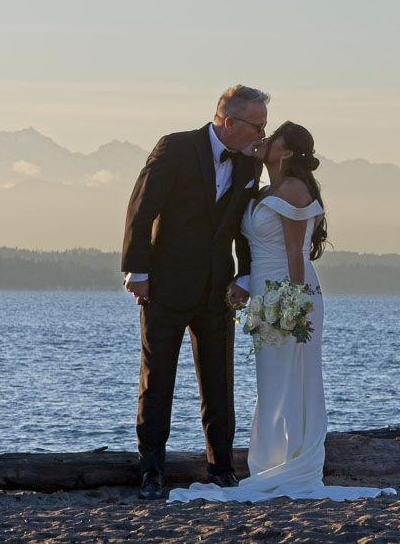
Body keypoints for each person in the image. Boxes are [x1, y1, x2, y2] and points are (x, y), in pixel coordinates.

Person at [168, 122, 396, 503]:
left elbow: (295, 253)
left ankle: (292, 463)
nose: (264, 139)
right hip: (263, 293)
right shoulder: (263, 190)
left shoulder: (293, 189)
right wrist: (245, 282)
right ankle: (270, 462)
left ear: (286, 152)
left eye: (271, 137)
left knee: (293, 379)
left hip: (290, 293)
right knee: (271, 383)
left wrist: (295, 306)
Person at [121, 84, 269, 500]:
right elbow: (141, 207)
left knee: (220, 380)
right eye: (258, 125)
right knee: (158, 379)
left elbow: (245, 226)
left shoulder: (250, 166)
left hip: (217, 289)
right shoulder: (175, 147)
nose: (263, 133)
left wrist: (244, 276)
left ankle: (222, 468)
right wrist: (138, 268)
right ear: (230, 122)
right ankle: (151, 470)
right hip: (164, 285)